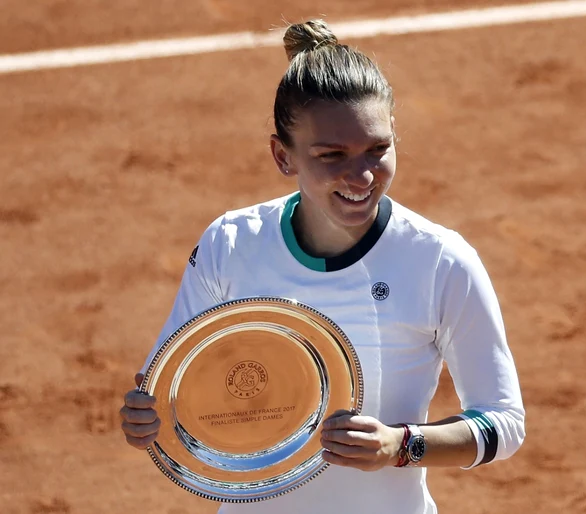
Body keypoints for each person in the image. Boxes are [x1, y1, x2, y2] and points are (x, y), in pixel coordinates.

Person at [120, 19, 525, 514]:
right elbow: (169, 391)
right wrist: (147, 418)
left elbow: (502, 423)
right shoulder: (231, 244)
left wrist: (401, 446)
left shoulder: (439, 260)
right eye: (332, 155)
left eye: (378, 149)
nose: (362, 175)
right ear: (282, 156)